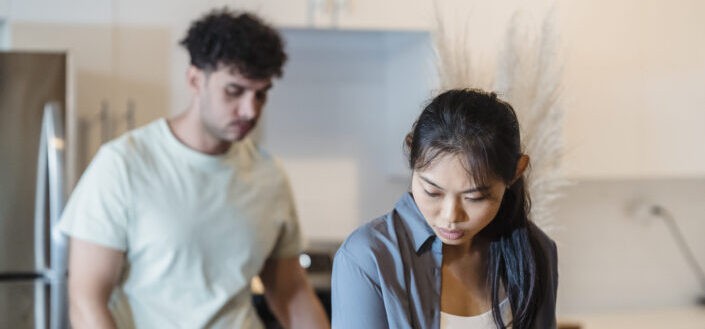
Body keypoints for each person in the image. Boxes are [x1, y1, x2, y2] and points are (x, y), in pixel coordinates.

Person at [58, 8, 330, 329]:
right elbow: (87, 300)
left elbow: (290, 293)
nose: (250, 110)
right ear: (194, 80)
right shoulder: (123, 164)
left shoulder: (269, 174)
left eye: (261, 94)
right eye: (234, 91)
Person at [331, 89, 558, 329]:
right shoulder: (367, 257)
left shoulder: (536, 251)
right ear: (411, 155)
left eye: (475, 197)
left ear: (516, 172)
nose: (450, 216)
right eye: (432, 192)